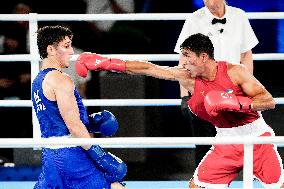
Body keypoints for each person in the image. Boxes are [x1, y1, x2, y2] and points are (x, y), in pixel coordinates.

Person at [75, 33, 284, 188]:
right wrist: (106, 62)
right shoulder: (188, 77)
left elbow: (268, 101)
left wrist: (237, 103)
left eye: (186, 55)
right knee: (196, 186)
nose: (182, 61)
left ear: (203, 57)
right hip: (226, 141)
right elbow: (149, 68)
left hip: (257, 138)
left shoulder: (235, 71)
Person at [31, 25, 127, 189]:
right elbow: (73, 126)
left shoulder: (38, 82)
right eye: (66, 46)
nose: (71, 52)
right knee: (115, 186)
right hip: (70, 155)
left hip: (50, 155)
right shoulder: (62, 80)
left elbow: (56, 120)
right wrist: (99, 154)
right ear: (51, 49)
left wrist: (89, 122)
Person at [174, 0, 259, 166]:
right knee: (205, 148)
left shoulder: (239, 17)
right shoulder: (194, 20)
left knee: (236, 148)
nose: (209, 2)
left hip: (233, 94)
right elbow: (184, 59)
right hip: (202, 93)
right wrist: (184, 96)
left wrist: (248, 89)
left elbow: (246, 55)